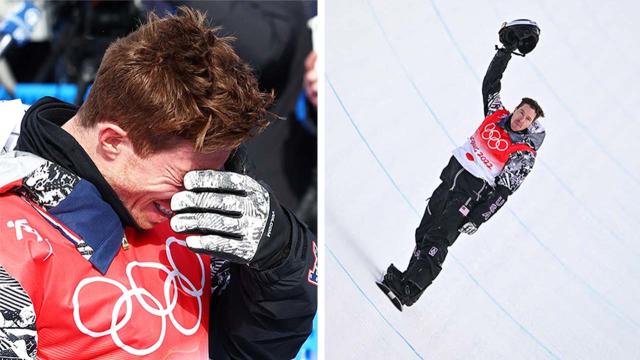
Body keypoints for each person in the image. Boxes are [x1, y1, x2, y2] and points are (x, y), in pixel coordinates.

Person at [0, 7, 317, 359]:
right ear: (112, 142)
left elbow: (254, 349)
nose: (197, 192)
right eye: (187, 176)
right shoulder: (13, 240)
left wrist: (280, 251)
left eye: (212, 173)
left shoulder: (191, 216)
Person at [378, 19, 545, 311]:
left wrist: (479, 217)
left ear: (531, 125)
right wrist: (505, 51)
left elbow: (504, 192)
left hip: (471, 193)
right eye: (521, 111)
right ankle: (406, 278)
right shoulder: (496, 113)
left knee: (438, 239)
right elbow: (491, 83)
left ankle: (410, 290)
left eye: (527, 119)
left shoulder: (522, 153)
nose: (520, 119)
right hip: (452, 178)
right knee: (424, 230)